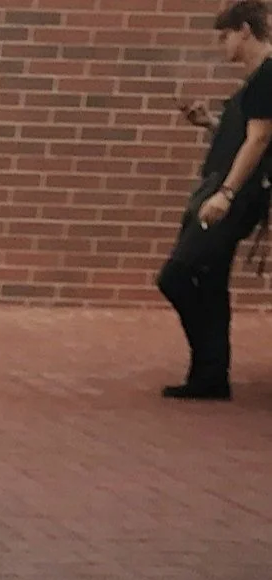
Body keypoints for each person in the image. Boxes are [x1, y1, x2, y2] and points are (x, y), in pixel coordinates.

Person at [157, 0, 272, 400]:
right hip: (231, 191)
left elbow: (259, 140)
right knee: (209, 279)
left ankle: (209, 365)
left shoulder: (267, 76)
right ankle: (210, 375)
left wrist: (225, 194)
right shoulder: (255, 81)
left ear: (244, 29)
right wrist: (210, 123)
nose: (223, 46)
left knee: (176, 276)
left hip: (233, 196)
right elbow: (248, 136)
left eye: (225, 36)